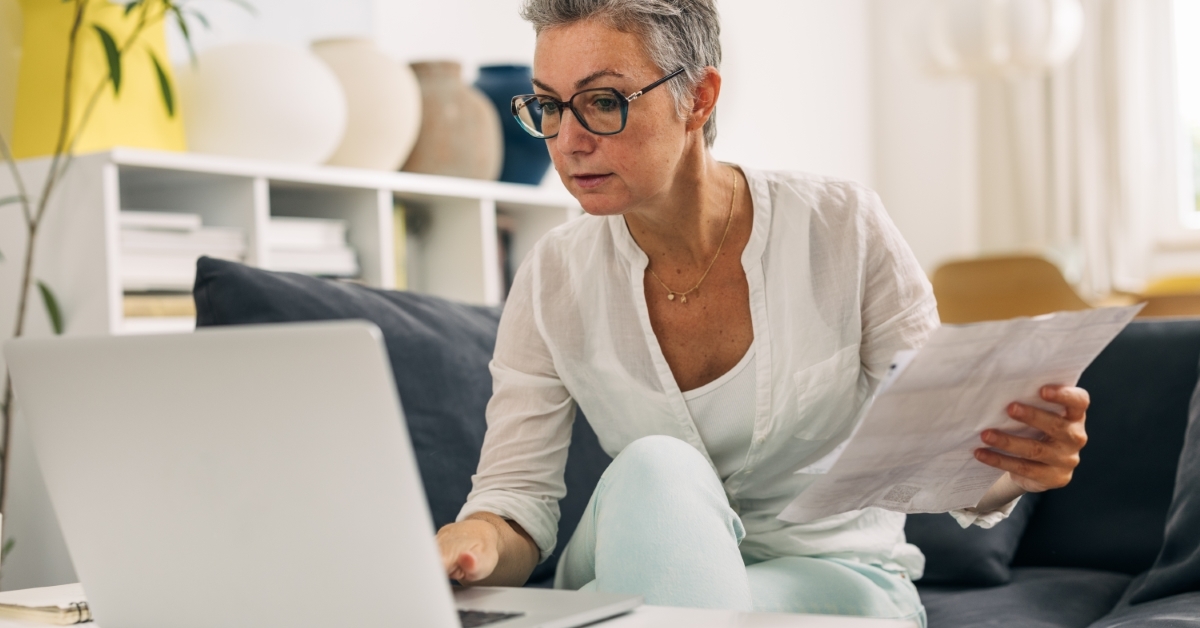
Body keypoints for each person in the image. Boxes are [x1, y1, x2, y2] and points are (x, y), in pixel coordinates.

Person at [436, 1, 1090, 625]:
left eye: (603, 102)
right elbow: (515, 504)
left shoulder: (842, 228)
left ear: (699, 97)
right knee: (657, 466)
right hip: (639, 554)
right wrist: (474, 543)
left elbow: (941, 456)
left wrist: (1018, 468)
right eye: (550, 106)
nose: (569, 140)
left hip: (834, 578)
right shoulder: (551, 276)